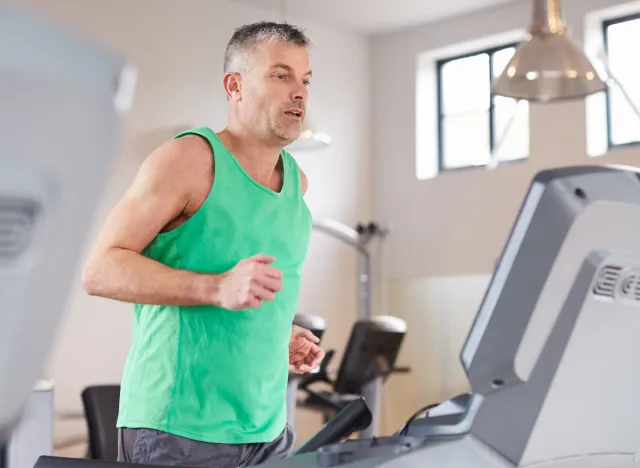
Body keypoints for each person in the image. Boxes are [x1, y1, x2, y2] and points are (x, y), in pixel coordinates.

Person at [82, 21, 325, 468]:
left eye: (306, 80)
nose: (300, 92)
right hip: (179, 431)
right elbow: (99, 269)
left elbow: (244, 297)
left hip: (269, 428)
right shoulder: (189, 159)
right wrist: (216, 288)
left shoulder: (298, 183)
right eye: (281, 75)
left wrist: (276, 336)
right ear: (235, 85)